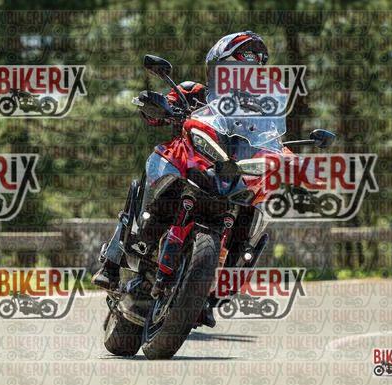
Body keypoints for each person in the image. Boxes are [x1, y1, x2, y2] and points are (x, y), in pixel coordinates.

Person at [92, 31, 270, 325]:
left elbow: (272, 141)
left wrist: (287, 154)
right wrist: (155, 106)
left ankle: (212, 291)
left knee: (255, 210)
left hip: (229, 179)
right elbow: (158, 109)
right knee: (153, 169)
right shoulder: (194, 92)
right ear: (217, 68)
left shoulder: (257, 115)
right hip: (185, 164)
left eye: (250, 73)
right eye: (236, 70)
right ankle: (113, 261)